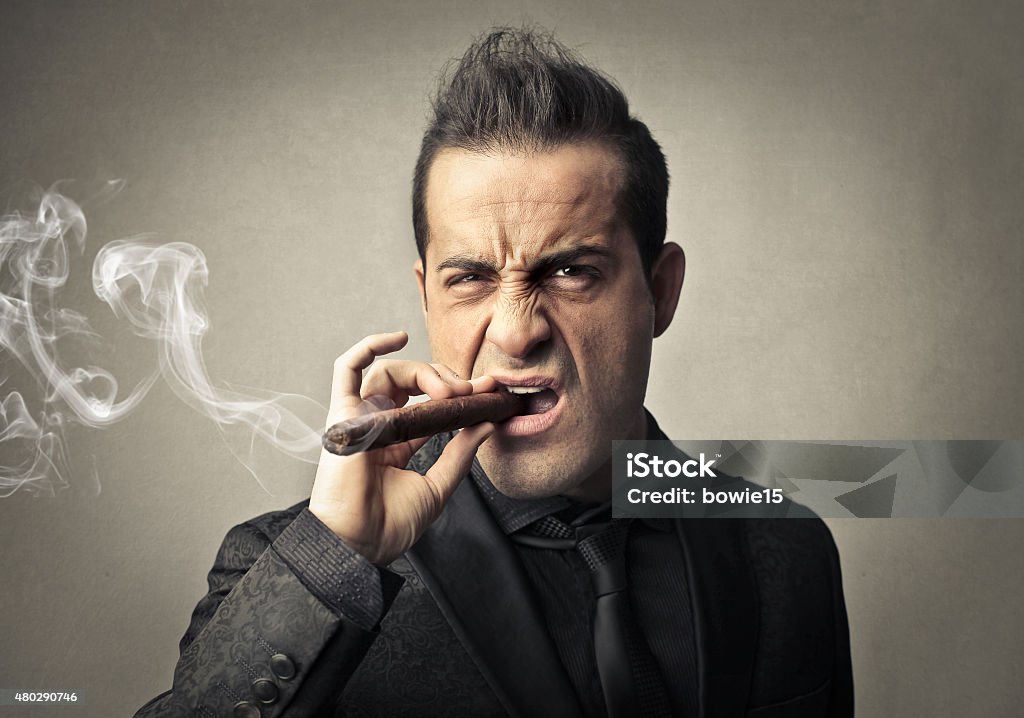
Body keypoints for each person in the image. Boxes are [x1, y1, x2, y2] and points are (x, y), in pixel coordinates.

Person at [137, 28, 853, 718]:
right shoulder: (291, 570)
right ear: (426, 296)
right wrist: (338, 557)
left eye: (571, 271)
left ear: (660, 292)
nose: (515, 331)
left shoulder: (785, 545)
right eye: (471, 278)